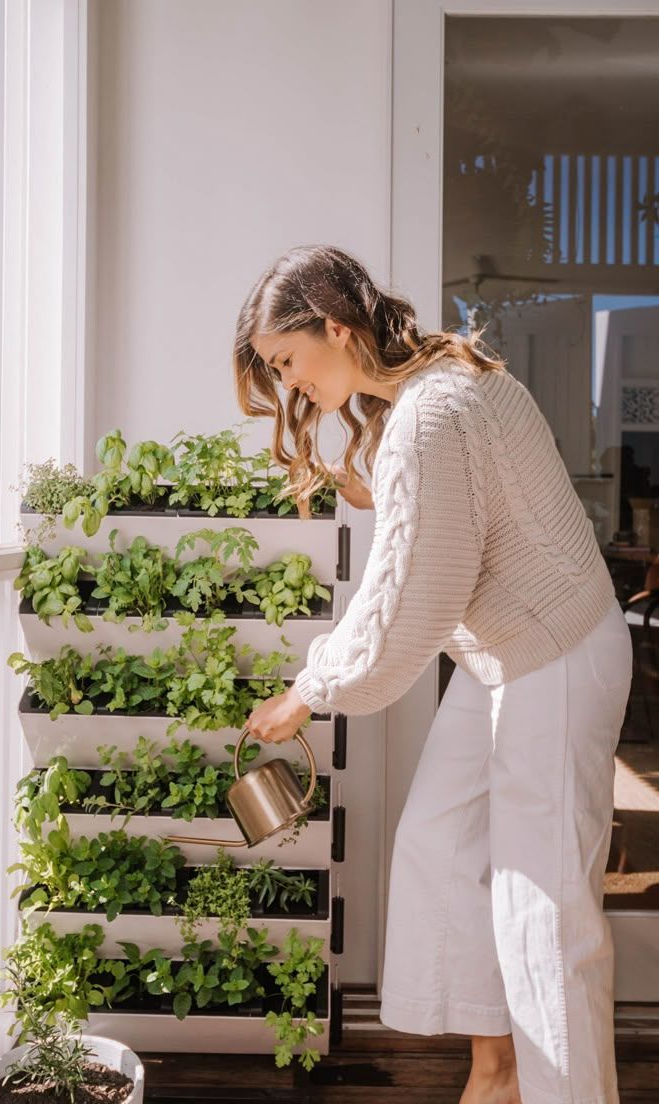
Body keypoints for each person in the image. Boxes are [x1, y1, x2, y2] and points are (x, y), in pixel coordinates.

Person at [232, 244, 633, 1104]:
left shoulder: (431, 411)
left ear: (336, 327)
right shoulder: (416, 397)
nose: (292, 385)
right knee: (438, 845)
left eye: (289, 361)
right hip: (506, 659)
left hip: (553, 654)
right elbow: (437, 530)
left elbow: (413, 591)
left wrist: (313, 689)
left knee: (545, 916)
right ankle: (501, 1067)